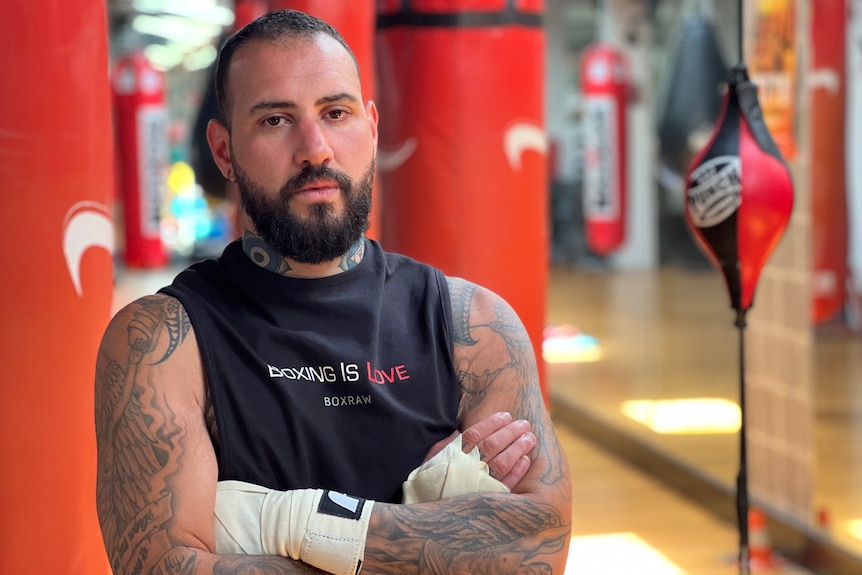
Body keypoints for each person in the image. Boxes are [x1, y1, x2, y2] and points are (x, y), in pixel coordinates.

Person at [95, 9, 572, 575]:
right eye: (275, 120)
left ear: (370, 126)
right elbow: (162, 569)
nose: (315, 148)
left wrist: (272, 523)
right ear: (223, 150)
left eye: (336, 112)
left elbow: (537, 552)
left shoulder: (474, 326)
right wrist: (434, 525)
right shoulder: (161, 343)